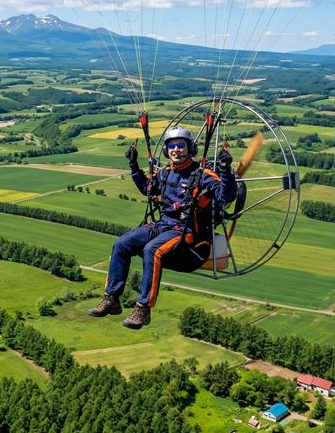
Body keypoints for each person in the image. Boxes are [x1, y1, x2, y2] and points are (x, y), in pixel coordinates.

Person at [88, 125, 235, 328]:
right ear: (167, 150)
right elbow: (147, 188)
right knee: (121, 243)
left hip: (187, 232)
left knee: (152, 249)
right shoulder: (165, 173)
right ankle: (112, 298)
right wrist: (133, 165)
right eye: (172, 146)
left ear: (190, 148)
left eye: (181, 145)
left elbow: (225, 196)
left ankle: (143, 309)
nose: (176, 150)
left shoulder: (203, 175)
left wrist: (226, 170)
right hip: (163, 225)